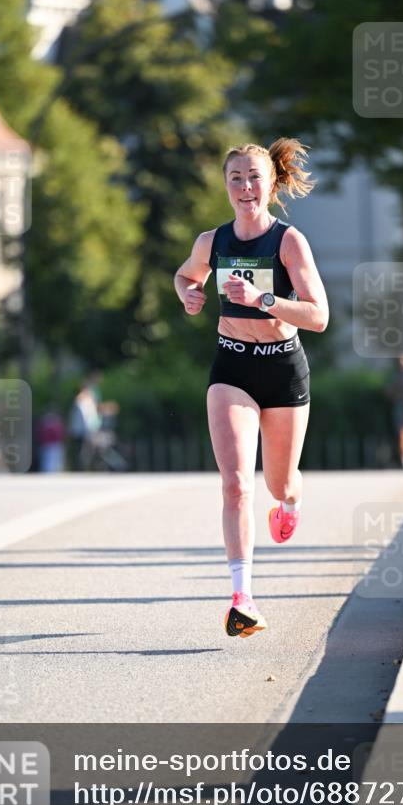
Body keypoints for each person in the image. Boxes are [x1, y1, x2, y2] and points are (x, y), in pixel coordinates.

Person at [174, 138, 329, 638]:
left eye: (254, 177)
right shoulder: (211, 242)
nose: (245, 187)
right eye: (236, 178)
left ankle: (290, 501)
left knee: (277, 483)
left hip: (282, 367)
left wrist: (265, 299)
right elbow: (184, 275)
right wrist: (190, 295)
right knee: (236, 482)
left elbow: (319, 316)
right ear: (225, 185)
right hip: (232, 367)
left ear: (271, 184)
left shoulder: (288, 242)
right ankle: (243, 597)